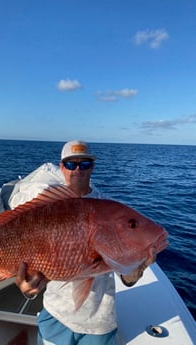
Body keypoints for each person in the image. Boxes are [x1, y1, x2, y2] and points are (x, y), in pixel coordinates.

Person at [15, 140, 156, 345]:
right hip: (55, 313)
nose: (78, 170)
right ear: (62, 167)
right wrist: (27, 290)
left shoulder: (111, 211)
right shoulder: (47, 206)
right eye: (71, 164)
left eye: (85, 164)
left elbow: (128, 278)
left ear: (93, 167)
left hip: (98, 323)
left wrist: (138, 267)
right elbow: (25, 262)